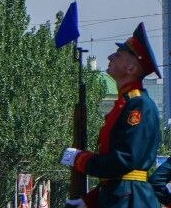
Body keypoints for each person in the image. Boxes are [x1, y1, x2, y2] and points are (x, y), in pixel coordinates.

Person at [66, 23, 160, 207]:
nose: (110, 57)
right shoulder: (125, 103)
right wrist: (89, 201)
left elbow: (125, 160)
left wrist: (81, 160)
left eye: (118, 55)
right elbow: (118, 178)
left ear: (131, 69)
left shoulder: (138, 105)